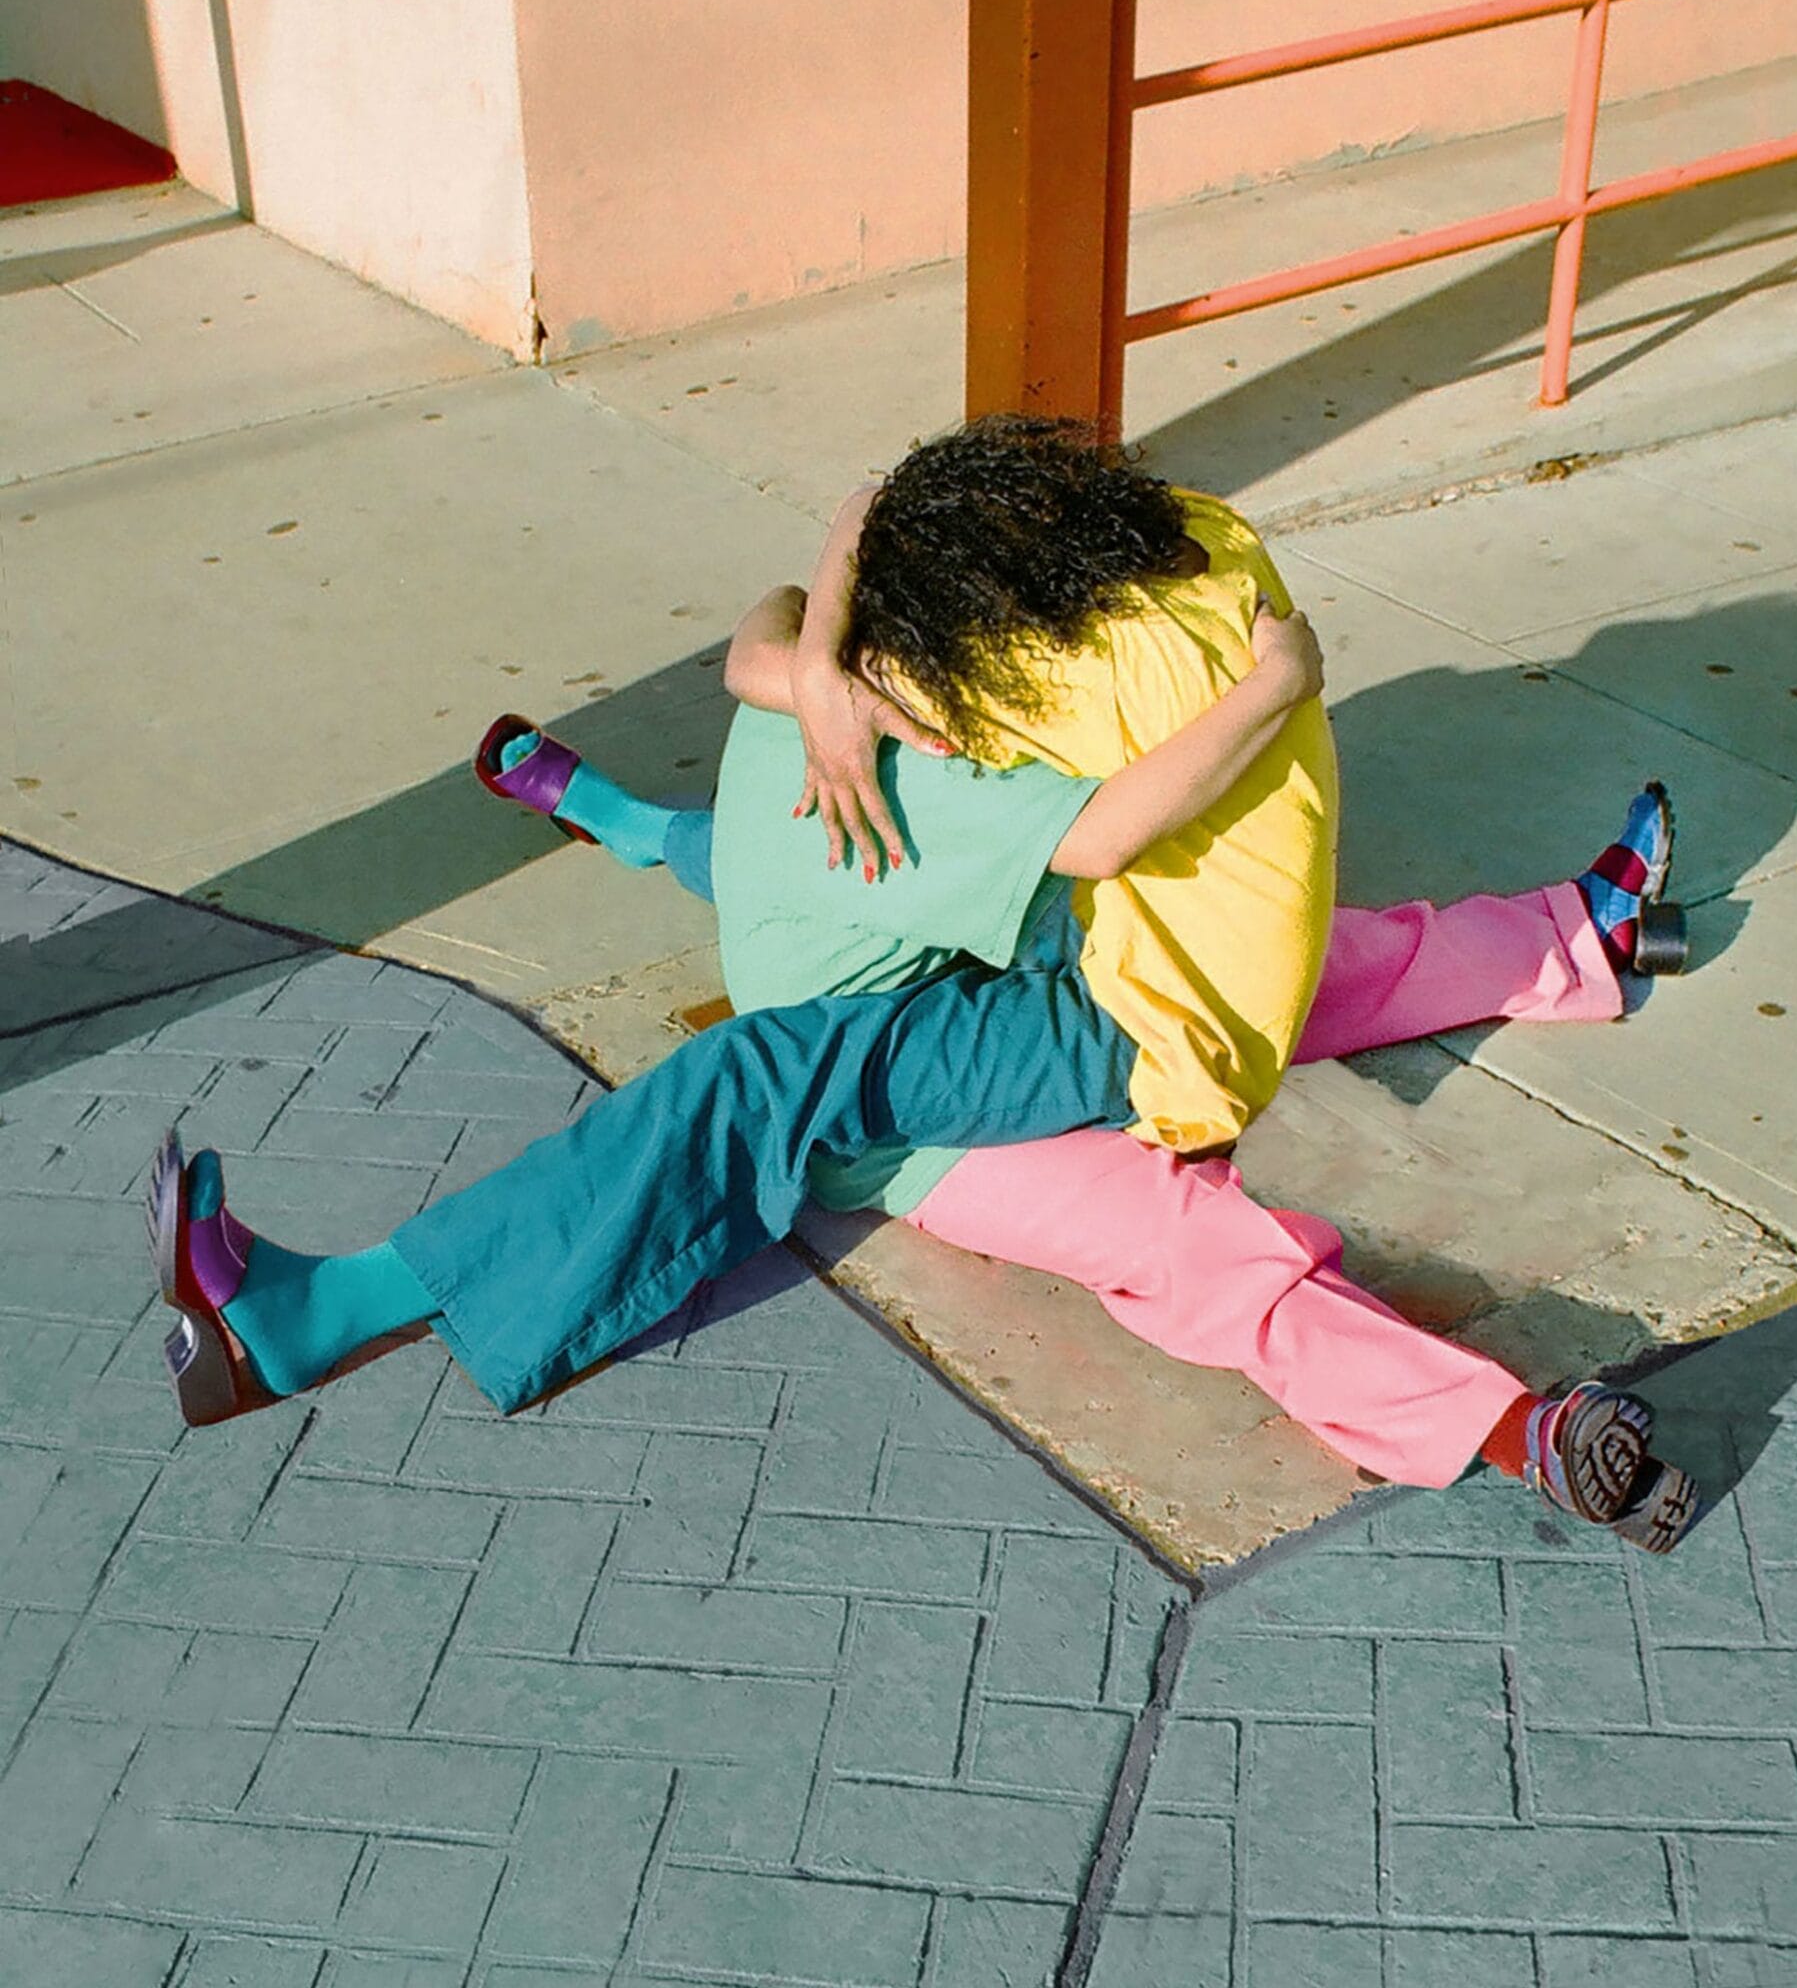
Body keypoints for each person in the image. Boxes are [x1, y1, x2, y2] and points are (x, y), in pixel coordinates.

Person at [150, 423, 1696, 1547]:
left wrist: (814, 652)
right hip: (907, 1125)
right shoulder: (949, 766)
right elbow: (1105, 834)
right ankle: (1509, 1428)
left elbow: (794, 587)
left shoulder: (803, 676)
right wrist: (1275, 685)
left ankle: (1582, 939)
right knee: (1187, 1236)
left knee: (1245, 954)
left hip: (854, 960)